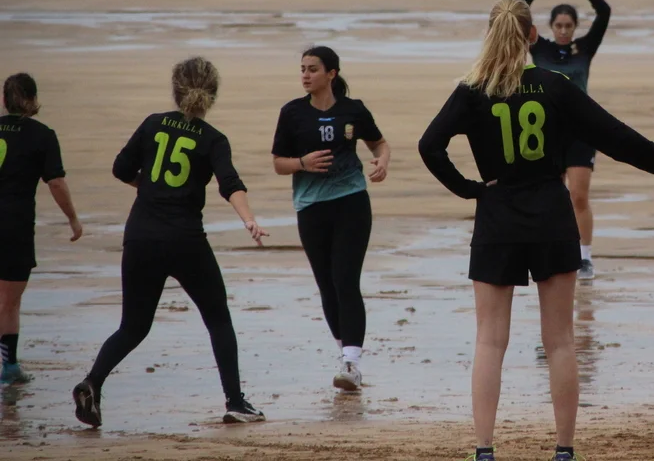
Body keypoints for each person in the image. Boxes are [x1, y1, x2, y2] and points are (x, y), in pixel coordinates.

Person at [418, 0, 654, 461]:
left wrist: (471, 190)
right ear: (532, 35)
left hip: (498, 216)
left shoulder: (472, 91)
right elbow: (615, 135)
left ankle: (484, 450)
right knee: (561, 341)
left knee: (489, 340)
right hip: (552, 214)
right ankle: (564, 450)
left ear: (490, 34)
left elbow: (429, 146)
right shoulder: (554, 86)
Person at [73, 57, 267, 427]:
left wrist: (149, 187)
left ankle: (92, 381)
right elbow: (230, 183)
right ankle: (235, 402)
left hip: (140, 237)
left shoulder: (152, 123)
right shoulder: (213, 139)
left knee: (132, 327)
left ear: (176, 90)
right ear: (212, 94)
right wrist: (249, 220)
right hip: (185, 241)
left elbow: (121, 169)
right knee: (217, 318)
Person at [271, 46, 390, 392]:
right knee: (327, 284)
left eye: (313, 69)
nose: (305, 75)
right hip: (311, 207)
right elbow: (278, 163)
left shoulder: (353, 110)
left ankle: (351, 363)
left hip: (351, 202)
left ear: (331, 74)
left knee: (345, 280)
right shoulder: (292, 113)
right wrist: (302, 163)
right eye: (302, 69)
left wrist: (382, 161)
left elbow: (379, 143)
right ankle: (345, 354)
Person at [522, 0, 610, 280]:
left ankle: (584, 257)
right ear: (550, 27)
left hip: (580, 131)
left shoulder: (584, 49)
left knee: (578, 196)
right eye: (558, 25)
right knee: (548, 196)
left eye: (568, 26)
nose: (563, 30)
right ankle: (550, 251)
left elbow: (604, 11)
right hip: (545, 131)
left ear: (574, 27)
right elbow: (518, 9)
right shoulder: (539, 48)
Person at [0, 73, 82, 386]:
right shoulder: (42, 135)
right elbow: (56, 182)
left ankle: (10, 365)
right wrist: (72, 218)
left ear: (5, 100)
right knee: (9, 301)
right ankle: (9, 367)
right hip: (14, 225)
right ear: (33, 100)